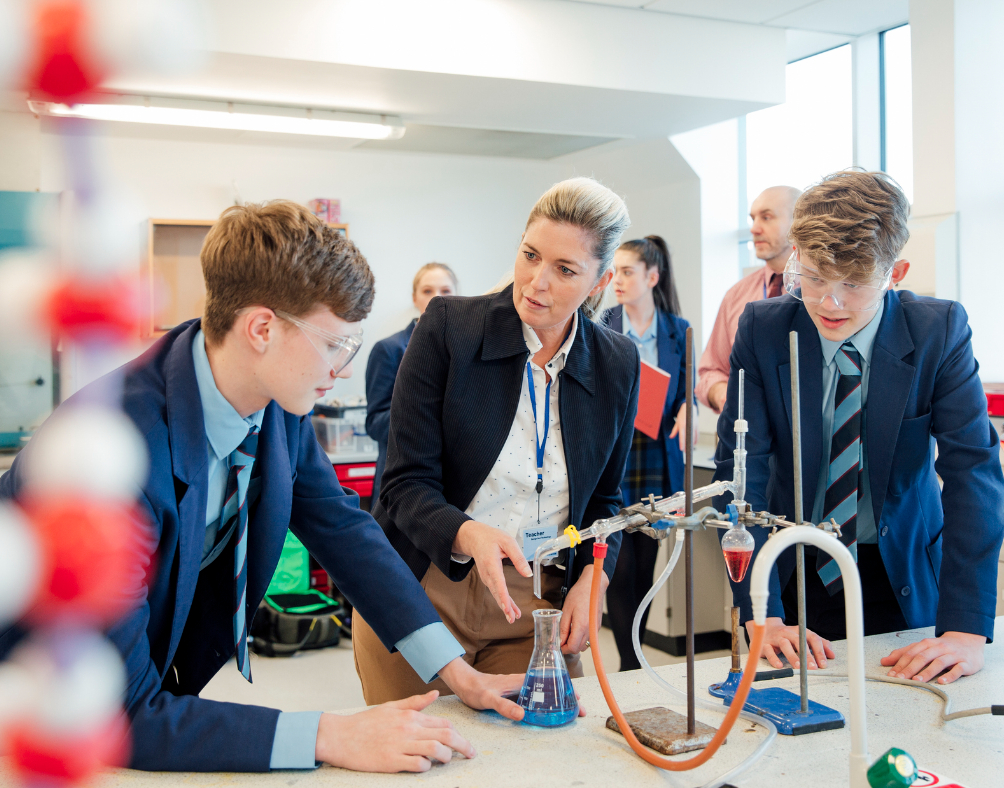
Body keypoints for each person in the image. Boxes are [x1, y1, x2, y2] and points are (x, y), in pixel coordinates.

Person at [0, 202, 522, 774]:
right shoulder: (111, 461)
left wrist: (455, 668)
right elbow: (115, 715)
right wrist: (328, 734)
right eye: (335, 345)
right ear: (262, 328)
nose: (344, 368)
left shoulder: (273, 402)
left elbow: (344, 530)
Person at [714, 170, 1004, 686]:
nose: (831, 302)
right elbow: (742, 474)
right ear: (795, 257)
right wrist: (762, 612)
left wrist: (965, 630)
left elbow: (973, 474)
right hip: (792, 572)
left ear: (897, 272)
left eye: (854, 283)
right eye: (817, 277)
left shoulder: (938, 331)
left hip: (904, 576)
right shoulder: (762, 329)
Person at [354, 178, 640, 703]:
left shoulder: (616, 362)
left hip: (539, 599)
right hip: (426, 587)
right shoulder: (449, 328)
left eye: (565, 270)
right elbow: (404, 483)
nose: (536, 281)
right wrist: (468, 533)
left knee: (541, 754)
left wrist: (593, 578)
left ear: (598, 283)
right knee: (425, 757)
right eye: (530, 255)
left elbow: (606, 502)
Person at [601, 235, 693, 671]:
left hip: (656, 455)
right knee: (618, 563)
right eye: (614, 271)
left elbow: (683, 395)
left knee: (646, 562)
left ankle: (633, 655)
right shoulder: (603, 324)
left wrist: (688, 407)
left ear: (652, 277)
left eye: (626, 271)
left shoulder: (679, 331)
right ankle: (629, 664)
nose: (616, 279)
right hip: (614, 453)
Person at [698, 185, 801, 414]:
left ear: (798, 222)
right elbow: (711, 370)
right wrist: (724, 395)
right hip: (746, 438)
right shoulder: (736, 296)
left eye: (766, 217)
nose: (754, 229)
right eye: (753, 218)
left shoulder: (824, 296)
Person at [365, 263, 458, 507]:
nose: (438, 298)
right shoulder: (389, 350)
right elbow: (375, 424)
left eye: (446, 291)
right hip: (400, 483)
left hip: (451, 488)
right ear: (414, 298)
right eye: (428, 291)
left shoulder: (464, 353)